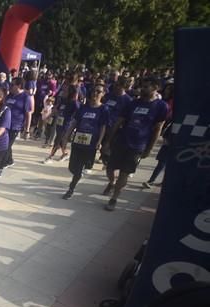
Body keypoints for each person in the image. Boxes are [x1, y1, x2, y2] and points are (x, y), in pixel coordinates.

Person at [102, 77, 167, 211]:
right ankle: (112, 182)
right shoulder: (133, 103)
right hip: (121, 141)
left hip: (137, 146)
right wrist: (108, 140)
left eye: (147, 86)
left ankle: (114, 198)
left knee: (124, 173)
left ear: (156, 88)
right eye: (142, 86)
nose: (143, 89)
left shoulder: (161, 106)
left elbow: (158, 128)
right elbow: (119, 121)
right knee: (109, 168)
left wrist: (149, 148)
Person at [61, 84, 109, 199]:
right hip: (78, 140)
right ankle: (77, 174)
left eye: (98, 91)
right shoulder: (83, 107)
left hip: (91, 142)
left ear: (102, 94)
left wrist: (100, 141)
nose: (95, 93)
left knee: (79, 167)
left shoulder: (104, 109)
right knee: (72, 167)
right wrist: (67, 135)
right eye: (94, 90)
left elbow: (103, 126)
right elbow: (74, 122)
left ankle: (71, 188)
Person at [43, 84, 80, 163]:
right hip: (59, 122)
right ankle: (65, 153)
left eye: (66, 91)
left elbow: (78, 113)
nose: (63, 92)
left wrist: (75, 125)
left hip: (67, 124)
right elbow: (56, 110)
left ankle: (50, 157)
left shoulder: (74, 103)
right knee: (61, 140)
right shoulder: (63, 101)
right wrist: (49, 116)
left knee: (58, 139)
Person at [3, 77, 33, 169]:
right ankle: (9, 160)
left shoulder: (26, 97)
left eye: (12, 85)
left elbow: (28, 114)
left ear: (19, 86)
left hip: (15, 125)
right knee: (7, 144)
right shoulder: (9, 96)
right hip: (4, 124)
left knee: (6, 145)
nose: (10, 87)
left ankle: (2, 164)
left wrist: (27, 130)